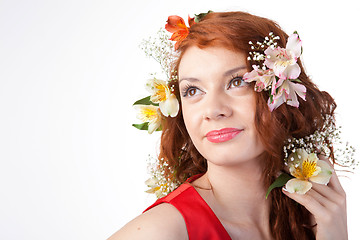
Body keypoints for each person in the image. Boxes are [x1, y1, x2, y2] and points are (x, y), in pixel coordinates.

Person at [109, 11, 349, 240]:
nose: (213, 110)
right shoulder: (161, 230)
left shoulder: (307, 221)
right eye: (192, 90)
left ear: (280, 94)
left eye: (237, 82)